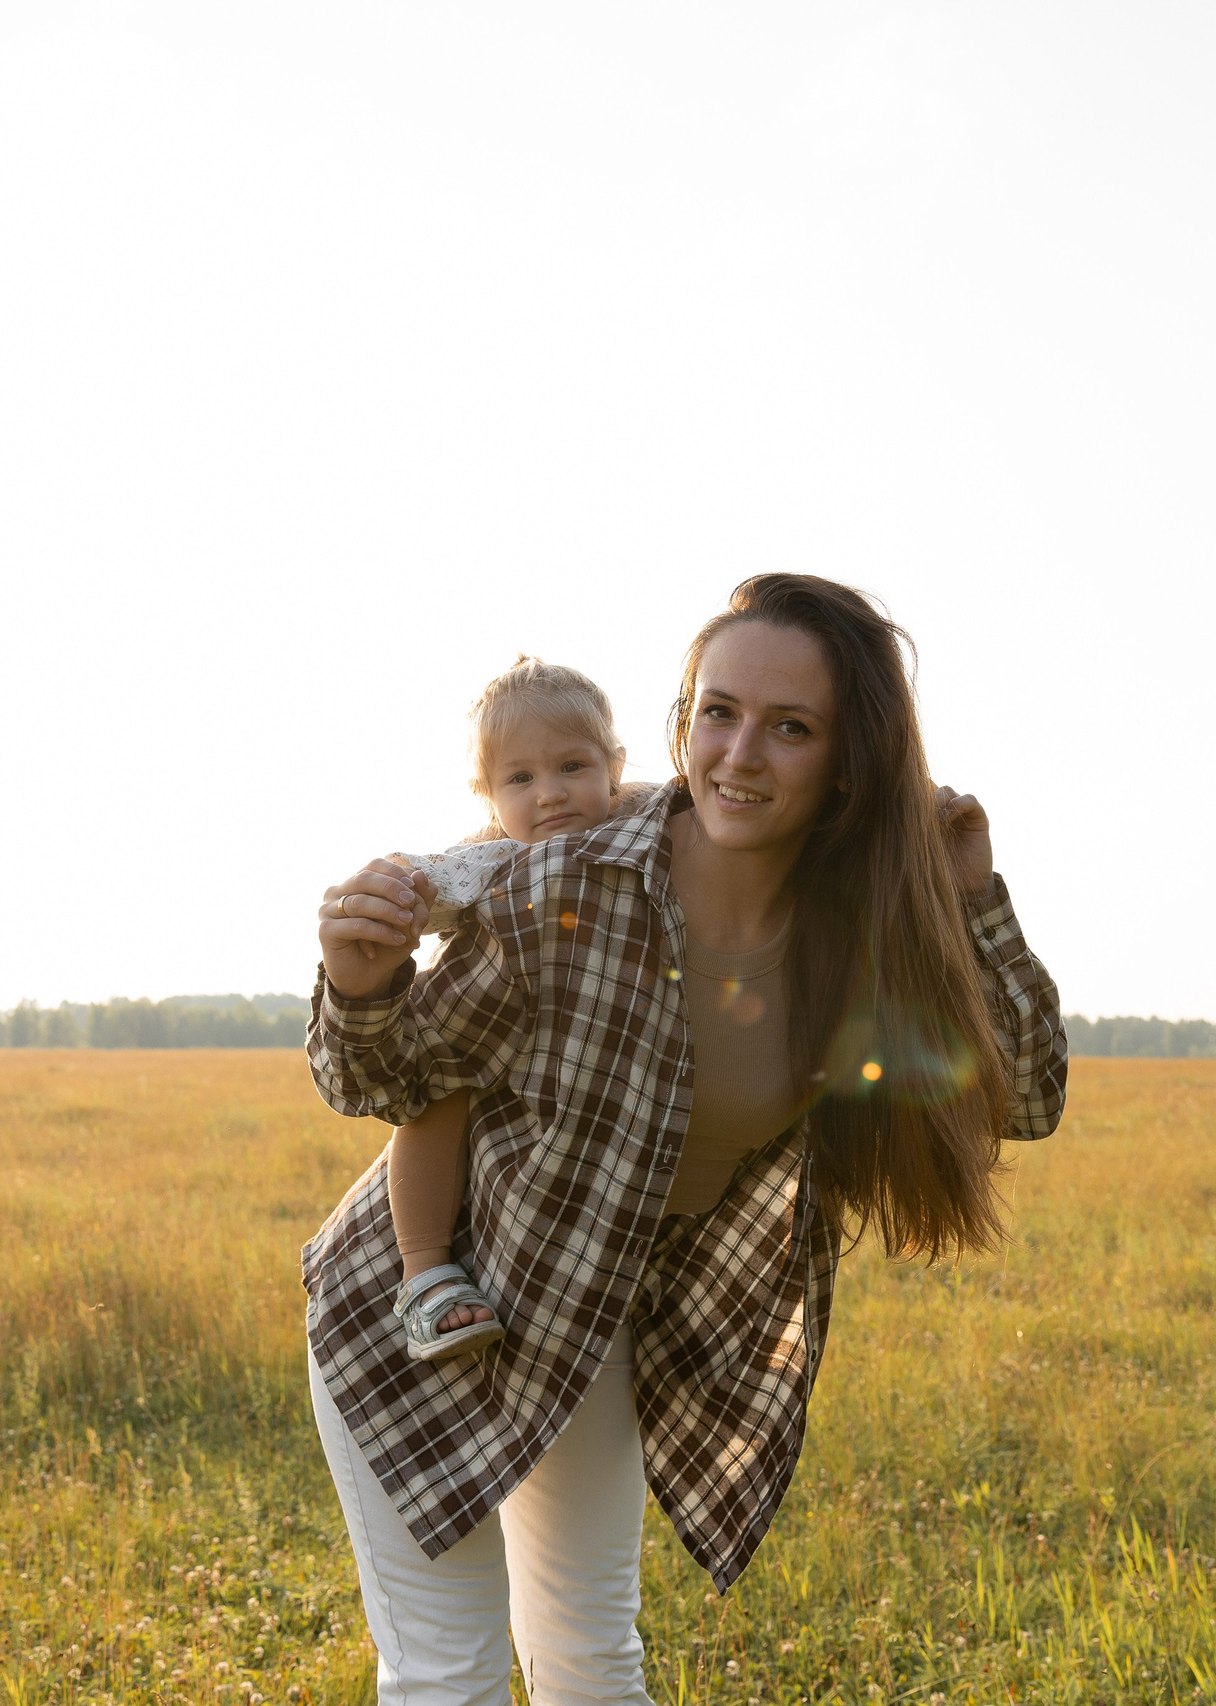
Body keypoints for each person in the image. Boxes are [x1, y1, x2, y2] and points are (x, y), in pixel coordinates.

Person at [301, 575, 1067, 1706]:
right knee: (444, 1673)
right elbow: (386, 1076)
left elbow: (1028, 1095)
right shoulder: (568, 883)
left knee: (589, 1659)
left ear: (849, 761)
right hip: (421, 1309)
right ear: (680, 724)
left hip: (586, 1322)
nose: (740, 754)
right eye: (718, 711)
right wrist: (359, 982)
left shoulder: (857, 944)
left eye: (789, 726)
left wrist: (973, 897)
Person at [379, 656, 656, 1362]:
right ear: (489, 794)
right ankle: (423, 1271)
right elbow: (422, 884)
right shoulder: (492, 859)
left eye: (573, 767)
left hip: (582, 1043)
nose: (551, 794)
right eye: (521, 779)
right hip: (485, 1021)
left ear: (614, 766)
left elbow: (677, 802)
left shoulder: (638, 828)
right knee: (439, 1098)